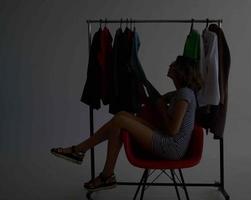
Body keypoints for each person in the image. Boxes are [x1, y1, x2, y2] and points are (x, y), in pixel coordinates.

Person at [50, 55, 203, 192]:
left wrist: (162, 108)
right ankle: (82, 153)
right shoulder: (180, 93)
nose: (170, 65)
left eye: (175, 64)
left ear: (182, 72)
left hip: (171, 147)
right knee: (122, 115)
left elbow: (173, 130)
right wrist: (149, 94)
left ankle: (101, 170)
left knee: (120, 120)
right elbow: (158, 101)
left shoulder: (184, 94)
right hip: (167, 138)